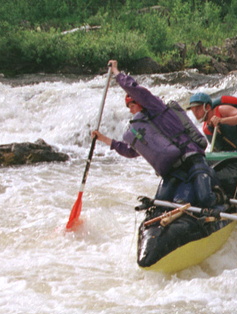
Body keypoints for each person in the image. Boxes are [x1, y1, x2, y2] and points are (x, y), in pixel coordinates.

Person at [92, 60, 219, 208]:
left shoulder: (156, 108)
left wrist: (115, 71)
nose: (130, 110)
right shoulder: (142, 129)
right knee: (159, 203)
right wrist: (104, 139)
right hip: (174, 169)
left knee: (205, 199)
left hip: (192, 157)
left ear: (140, 103)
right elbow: (131, 151)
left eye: (132, 105)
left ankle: (219, 195)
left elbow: (134, 89)